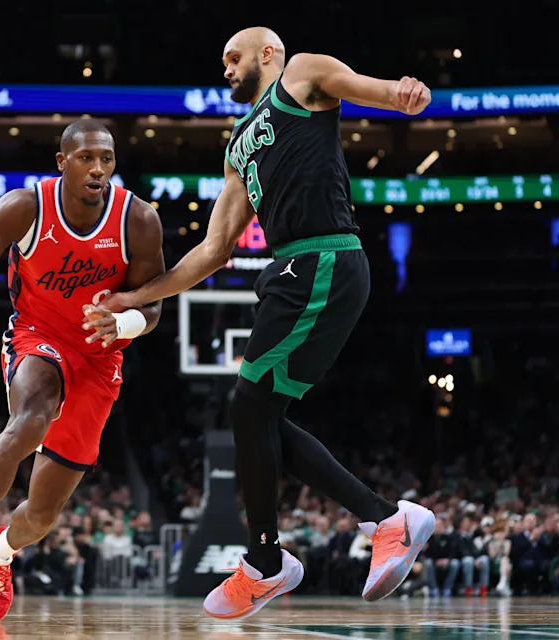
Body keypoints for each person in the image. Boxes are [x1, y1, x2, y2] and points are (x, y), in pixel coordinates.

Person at [101, 26, 436, 618]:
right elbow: (212, 251)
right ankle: (378, 521)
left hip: (323, 257)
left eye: (233, 57)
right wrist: (137, 297)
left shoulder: (301, 73)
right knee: (257, 415)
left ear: (267, 53)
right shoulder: (237, 146)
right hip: (291, 271)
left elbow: (373, 89)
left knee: (250, 408)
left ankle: (273, 560)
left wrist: (404, 93)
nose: (226, 69)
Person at [0, 118, 165, 622]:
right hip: (36, 335)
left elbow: (153, 308)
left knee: (41, 517)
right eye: (86, 158)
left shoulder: (139, 220)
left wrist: (124, 321)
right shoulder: (24, 207)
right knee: (29, 420)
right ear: (62, 163)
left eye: (106, 159)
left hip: (100, 355)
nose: (98, 168)